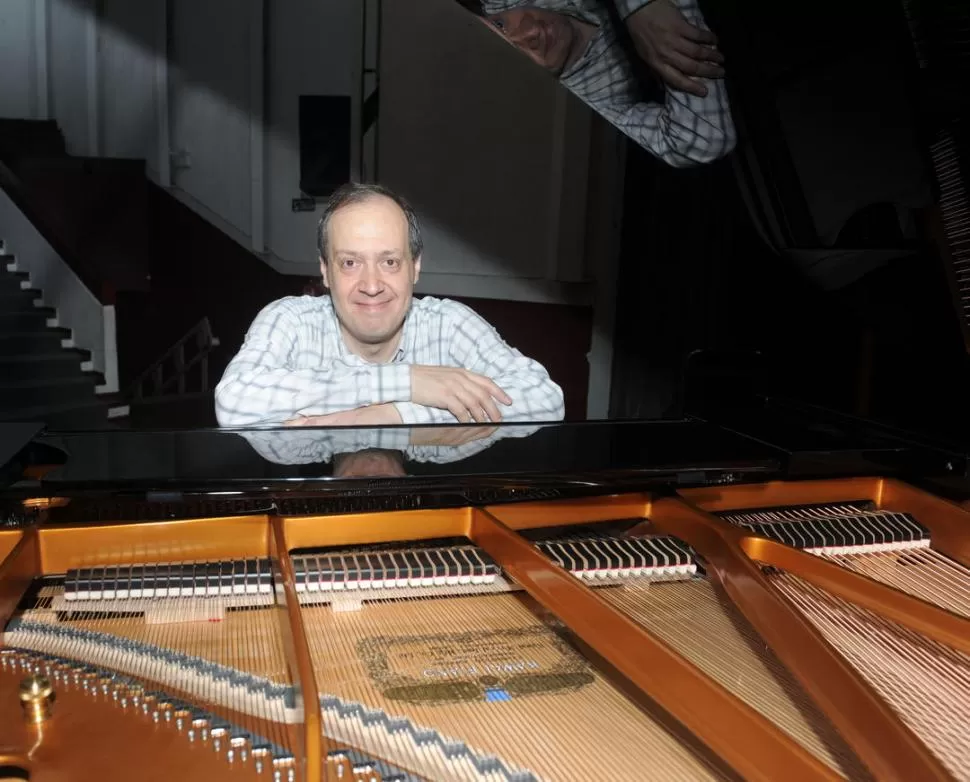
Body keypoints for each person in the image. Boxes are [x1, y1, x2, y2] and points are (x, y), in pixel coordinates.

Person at [214, 183, 565, 428]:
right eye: (350, 263)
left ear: (415, 267)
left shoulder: (449, 324)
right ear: (325, 270)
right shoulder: (289, 319)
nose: (370, 285)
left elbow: (546, 401)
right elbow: (234, 402)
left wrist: (392, 416)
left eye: (390, 262)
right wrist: (407, 382)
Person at [456, 0, 735, 167]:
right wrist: (674, 38)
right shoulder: (591, 106)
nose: (530, 31)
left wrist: (641, 7)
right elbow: (702, 140)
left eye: (502, 26)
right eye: (517, 60)